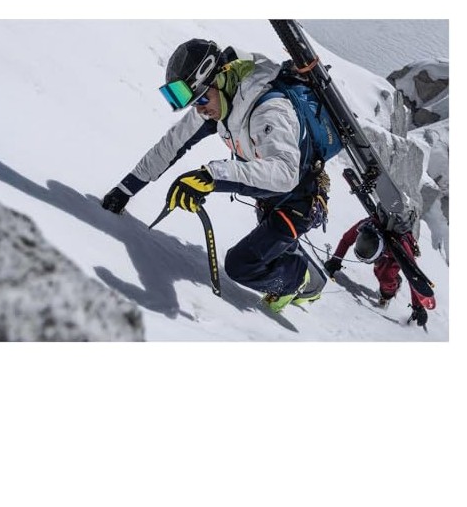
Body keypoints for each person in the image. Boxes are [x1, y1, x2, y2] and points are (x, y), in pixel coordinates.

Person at [101, 37, 330, 313]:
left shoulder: (270, 109)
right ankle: (298, 268)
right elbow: (171, 145)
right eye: (194, 103)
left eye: (201, 100)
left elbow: (284, 173)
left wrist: (213, 176)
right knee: (273, 246)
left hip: (300, 201)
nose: (200, 110)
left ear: (220, 79)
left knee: (241, 266)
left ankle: (299, 282)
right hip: (267, 195)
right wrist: (126, 189)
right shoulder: (217, 102)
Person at [323, 217, 433, 327]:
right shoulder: (366, 225)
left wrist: (418, 306)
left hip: (397, 251)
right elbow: (347, 239)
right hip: (386, 248)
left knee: (385, 276)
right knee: (379, 270)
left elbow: (413, 275)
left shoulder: (402, 245)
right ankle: (390, 284)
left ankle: (387, 294)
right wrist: (336, 260)